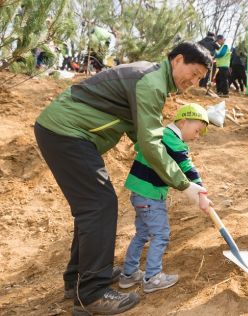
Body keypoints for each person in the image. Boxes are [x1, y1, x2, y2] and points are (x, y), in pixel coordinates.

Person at [34, 41, 213, 315]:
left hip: (65, 132)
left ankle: (78, 280)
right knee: (99, 206)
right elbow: (150, 143)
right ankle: (92, 294)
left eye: (200, 78)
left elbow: (141, 134)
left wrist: (173, 168)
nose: (194, 80)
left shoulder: (152, 79)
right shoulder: (151, 82)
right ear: (177, 60)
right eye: (195, 72)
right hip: (66, 132)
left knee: (92, 208)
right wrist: (183, 184)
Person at [119, 103, 211, 293]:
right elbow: (187, 168)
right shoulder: (173, 141)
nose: (196, 137)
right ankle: (152, 277)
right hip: (151, 195)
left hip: (139, 193)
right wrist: (201, 191)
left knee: (142, 233)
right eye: (196, 131)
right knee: (160, 234)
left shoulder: (158, 134)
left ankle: (128, 274)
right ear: (184, 122)